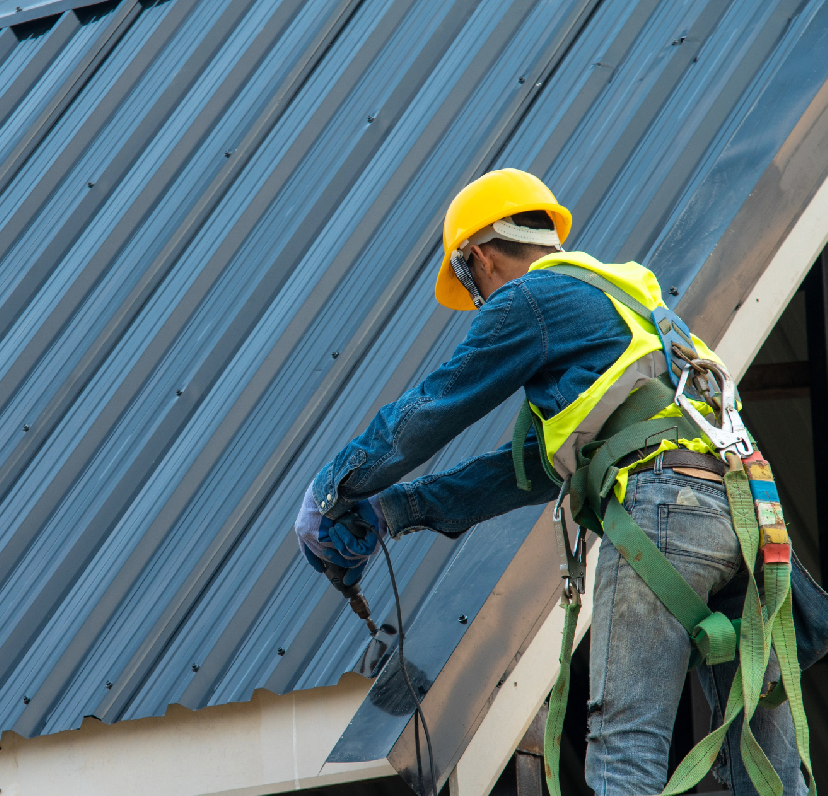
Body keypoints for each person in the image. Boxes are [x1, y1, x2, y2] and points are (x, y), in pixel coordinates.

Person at [293, 168, 815, 795]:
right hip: (745, 518)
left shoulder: (533, 300)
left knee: (627, 744)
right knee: (766, 764)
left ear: (479, 256)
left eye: (470, 283)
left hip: (662, 511)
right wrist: (393, 511)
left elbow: (434, 408)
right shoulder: (630, 305)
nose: (482, 303)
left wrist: (333, 489)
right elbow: (529, 471)